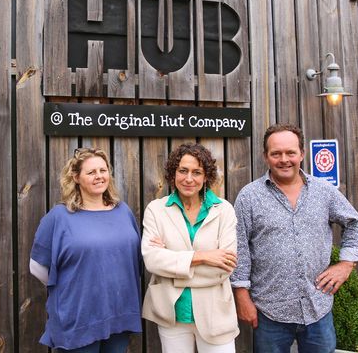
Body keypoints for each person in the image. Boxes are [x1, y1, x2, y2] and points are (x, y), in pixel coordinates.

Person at [230, 123, 358, 353]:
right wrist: (241, 295)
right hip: (269, 312)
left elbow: (355, 222)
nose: (284, 159)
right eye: (276, 153)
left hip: (318, 308)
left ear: (301, 154)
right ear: (266, 156)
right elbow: (239, 247)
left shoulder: (324, 191)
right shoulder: (249, 197)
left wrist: (346, 264)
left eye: (290, 152)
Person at [29, 147, 142, 353]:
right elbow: (37, 267)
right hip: (79, 318)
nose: (99, 176)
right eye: (91, 172)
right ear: (76, 177)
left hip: (119, 313)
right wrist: (71, 287)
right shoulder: (60, 216)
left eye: (103, 170)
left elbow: (133, 256)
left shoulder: (123, 211)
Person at [141, 143, 239, 353]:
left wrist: (172, 265)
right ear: (173, 173)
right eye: (183, 171)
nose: (188, 178)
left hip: (215, 314)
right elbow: (152, 260)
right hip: (173, 314)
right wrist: (203, 256)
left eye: (197, 172)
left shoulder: (223, 210)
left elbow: (225, 267)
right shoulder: (156, 210)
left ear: (206, 177)